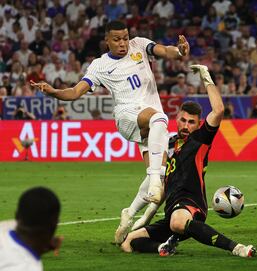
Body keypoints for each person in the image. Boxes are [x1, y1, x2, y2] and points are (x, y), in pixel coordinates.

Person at [30, 20, 190, 244]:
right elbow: (75, 92)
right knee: (160, 121)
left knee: (161, 187)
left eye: (125, 37)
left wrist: (180, 50)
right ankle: (154, 182)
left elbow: (165, 51)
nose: (123, 43)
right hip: (127, 116)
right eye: (117, 39)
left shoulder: (139, 45)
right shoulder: (100, 65)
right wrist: (53, 92)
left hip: (151, 125)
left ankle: (130, 216)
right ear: (107, 40)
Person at [120, 65, 256, 258]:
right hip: (171, 211)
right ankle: (164, 247)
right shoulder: (168, 144)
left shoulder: (200, 140)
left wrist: (206, 77)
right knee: (128, 242)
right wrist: (146, 215)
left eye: (191, 122)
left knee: (177, 221)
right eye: (183, 120)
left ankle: (238, 248)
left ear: (198, 124)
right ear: (177, 118)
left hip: (191, 204)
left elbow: (218, 111)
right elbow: (158, 180)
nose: (186, 125)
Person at [0, 187, 62, 271]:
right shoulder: (27, 267)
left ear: (16, 215)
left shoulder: (4, 228)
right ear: (55, 223)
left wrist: (42, 246)